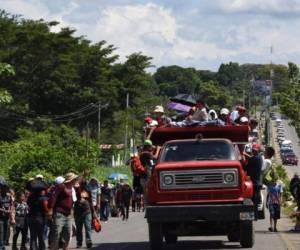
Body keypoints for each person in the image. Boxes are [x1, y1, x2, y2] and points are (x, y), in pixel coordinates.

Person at [49, 172, 78, 250]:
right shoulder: (62, 187)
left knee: (68, 235)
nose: (76, 180)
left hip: (68, 214)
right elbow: (54, 197)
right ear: (71, 180)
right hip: (59, 214)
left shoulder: (72, 188)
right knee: (56, 234)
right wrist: (51, 209)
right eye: (75, 179)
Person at [74, 178, 96, 249]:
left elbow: (91, 202)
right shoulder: (75, 190)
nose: (83, 184)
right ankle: (79, 243)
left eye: (84, 183)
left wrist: (94, 212)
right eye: (82, 183)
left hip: (87, 211)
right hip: (78, 212)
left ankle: (89, 241)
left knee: (88, 227)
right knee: (79, 229)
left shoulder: (88, 190)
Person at [27, 186, 49, 250]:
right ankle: (42, 248)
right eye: (43, 190)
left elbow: (28, 204)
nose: (44, 191)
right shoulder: (43, 198)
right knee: (41, 236)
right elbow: (46, 209)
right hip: (40, 218)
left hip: (31, 218)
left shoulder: (30, 197)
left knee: (33, 236)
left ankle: (33, 248)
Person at [244, 143, 263, 219]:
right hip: (257, 182)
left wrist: (244, 156)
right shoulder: (259, 157)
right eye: (253, 150)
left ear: (258, 151)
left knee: (253, 200)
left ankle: (254, 216)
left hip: (255, 183)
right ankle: (255, 215)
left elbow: (247, 165)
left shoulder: (256, 158)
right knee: (255, 200)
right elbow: (251, 158)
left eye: (255, 150)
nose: (253, 151)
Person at [0, 182, 14, 250]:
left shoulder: (9, 196)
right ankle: (1, 245)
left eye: (6, 188)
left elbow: (11, 204)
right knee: (1, 231)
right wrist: (4, 210)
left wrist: (10, 210)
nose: (5, 189)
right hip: (1, 217)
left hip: (7, 217)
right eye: (3, 188)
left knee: (6, 231)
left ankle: (3, 244)